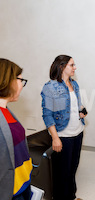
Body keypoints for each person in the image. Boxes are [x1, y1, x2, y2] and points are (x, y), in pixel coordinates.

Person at [41, 55, 87, 200]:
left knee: (73, 169)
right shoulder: (50, 87)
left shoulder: (75, 84)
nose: (75, 67)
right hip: (63, 136)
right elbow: (47, 115)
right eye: (72, 65)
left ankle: (71, 196)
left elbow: (75, 104)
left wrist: (81, 110)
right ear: (61, 66)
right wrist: (55, 138)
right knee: (62, 172)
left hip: (78, 132)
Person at [0, 58, 32, 200]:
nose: (22, 85)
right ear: (8, 80)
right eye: (20, 80)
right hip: (11, 190)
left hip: (22, 181)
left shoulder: (7, 111)